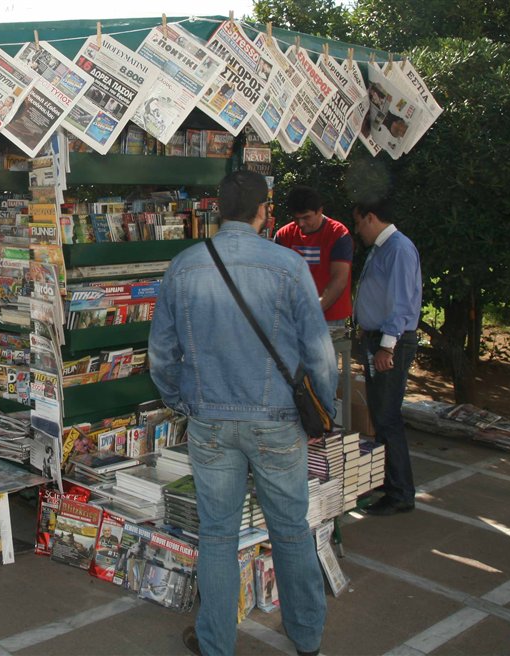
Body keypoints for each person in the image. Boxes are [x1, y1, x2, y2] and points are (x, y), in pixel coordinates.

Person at [149, 170, 336, 656]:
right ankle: (307, 638)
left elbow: (161, 356)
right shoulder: (288, 265)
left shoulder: (184, 266)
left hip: (210, 421)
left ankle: (215, 643)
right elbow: (320, 355)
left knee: (217, 534)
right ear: (263, 211)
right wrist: (324, 412)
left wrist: (181, 401)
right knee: (291, 531)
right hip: (277, 420)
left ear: (218, 211)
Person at [352, 195, 422, 516]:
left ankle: (400, 492)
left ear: (371, 217)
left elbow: (401, 303)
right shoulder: (381, 248)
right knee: (380, 415)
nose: (357, 230)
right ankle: (388, 479)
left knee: (388, 417)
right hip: (377, 338)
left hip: (390, 342)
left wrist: (386, 347)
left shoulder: (398, 249)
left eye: (358, 222)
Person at [275, 186, 354, 329]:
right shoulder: (283, 235)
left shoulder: (338, 234)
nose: (301, 224)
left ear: (320, 211)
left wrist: (312, 311)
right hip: (293, 318)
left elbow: (339, 279)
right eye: (296, 218)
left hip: (329, 319)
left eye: (306, 217)